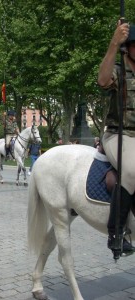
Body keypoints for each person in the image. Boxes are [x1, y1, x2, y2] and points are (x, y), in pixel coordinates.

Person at [98, 21, 135, 255]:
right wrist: (114, 43)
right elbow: (102, 80)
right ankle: (116, 232)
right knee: (132, 170)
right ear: (129, 47)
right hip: (118, 135)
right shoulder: (119, 69)